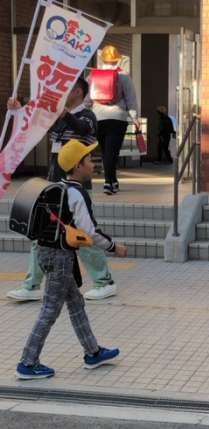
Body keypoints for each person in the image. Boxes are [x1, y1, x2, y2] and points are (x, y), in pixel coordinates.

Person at [16, 140, 128, 380]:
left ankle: (93, 352)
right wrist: (113, 247)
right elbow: (90, 231)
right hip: (60, 258)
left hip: (46, 252)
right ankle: (27, 362)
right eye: (89, 159)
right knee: (50, 310)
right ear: (78, 166)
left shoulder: (57, 187)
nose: (93, 163)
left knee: (76, 302)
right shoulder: (76, 193)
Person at [6, 78, 118, 302]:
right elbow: (33, 124)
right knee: (40, 233)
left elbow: (83, 129)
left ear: (77, 91)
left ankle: (104, 282)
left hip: (76, 187)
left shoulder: (87, 115)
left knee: (82, 234)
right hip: (53, 186)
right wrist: (18, 111)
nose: (62, 93)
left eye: (66, 89)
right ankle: (31, 285)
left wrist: (63, 114)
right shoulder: (58, 116)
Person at [89, 45, 140, 195]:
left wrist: (85, 114)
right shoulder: (123, 76)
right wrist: (134, 117)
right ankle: (109, 181)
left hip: (98, 118)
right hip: (118, 118)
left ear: (102, 59)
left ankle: (111, 181)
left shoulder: (92, 76)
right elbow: (131, 99)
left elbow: (87, 99)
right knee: (113, 151)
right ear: (117, 60)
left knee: (105, 151)